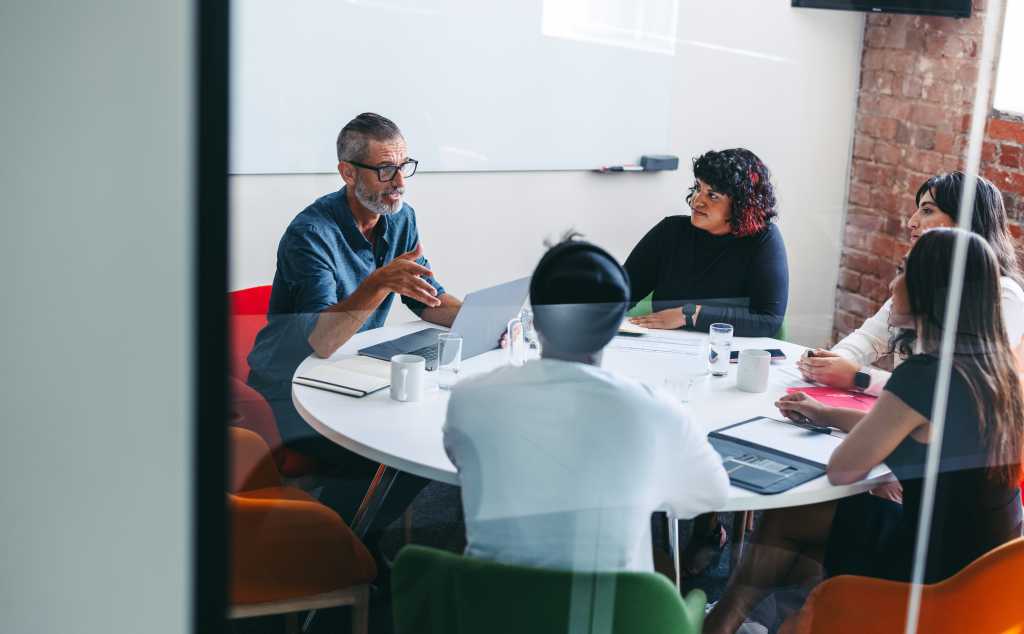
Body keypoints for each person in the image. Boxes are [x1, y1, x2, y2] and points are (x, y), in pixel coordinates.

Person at [705, 228, 1024, 634]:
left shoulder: (925, 376)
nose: (893, 285)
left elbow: (843, 470)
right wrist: (826, 414)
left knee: (791, 518)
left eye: (903, 271)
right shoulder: (997, 372)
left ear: (932, 289)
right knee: (814, 528)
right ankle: (783, 618)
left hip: (932, 579)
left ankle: (735, 621)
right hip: (990, 574)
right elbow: (912, 431)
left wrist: (848, 433)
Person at [443, 235, 730, 572]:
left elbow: (462, 461)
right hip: (610, 615)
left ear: (534, 319)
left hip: (488, 610)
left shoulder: (469, 397)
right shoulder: (658, 414)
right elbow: (713, 495)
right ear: (615, 330)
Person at [247, 112, 462, 533]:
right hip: (291, 388)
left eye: (404, 167)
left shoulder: (401, 216)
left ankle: (356, 536)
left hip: (352, 377)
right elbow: (323, 342)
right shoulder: (310, 234)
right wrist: (379, 282)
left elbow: (425, 299)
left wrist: (489, 317)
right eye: (385, 170)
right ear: (348, 172)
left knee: (426, 442)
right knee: (393, 453)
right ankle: (338, 544)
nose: (399, 182)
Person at [800, 171, 1024, 394]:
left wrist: (858, 378)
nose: (911, 222)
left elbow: (954, 390)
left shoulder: (1004, 295)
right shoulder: (925, 278)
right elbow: (870, 338)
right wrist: (826, 364)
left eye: (927, 211)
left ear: (966, 221)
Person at [625, 148, 789, 338]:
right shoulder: (670, 231)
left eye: (712, 196)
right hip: (662, 345)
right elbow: (623, 291)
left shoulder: (763, 240)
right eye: (698, 188)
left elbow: (768, 320)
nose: (697, 201)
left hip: (727, 352)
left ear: (741, 205)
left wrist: (690, 314)